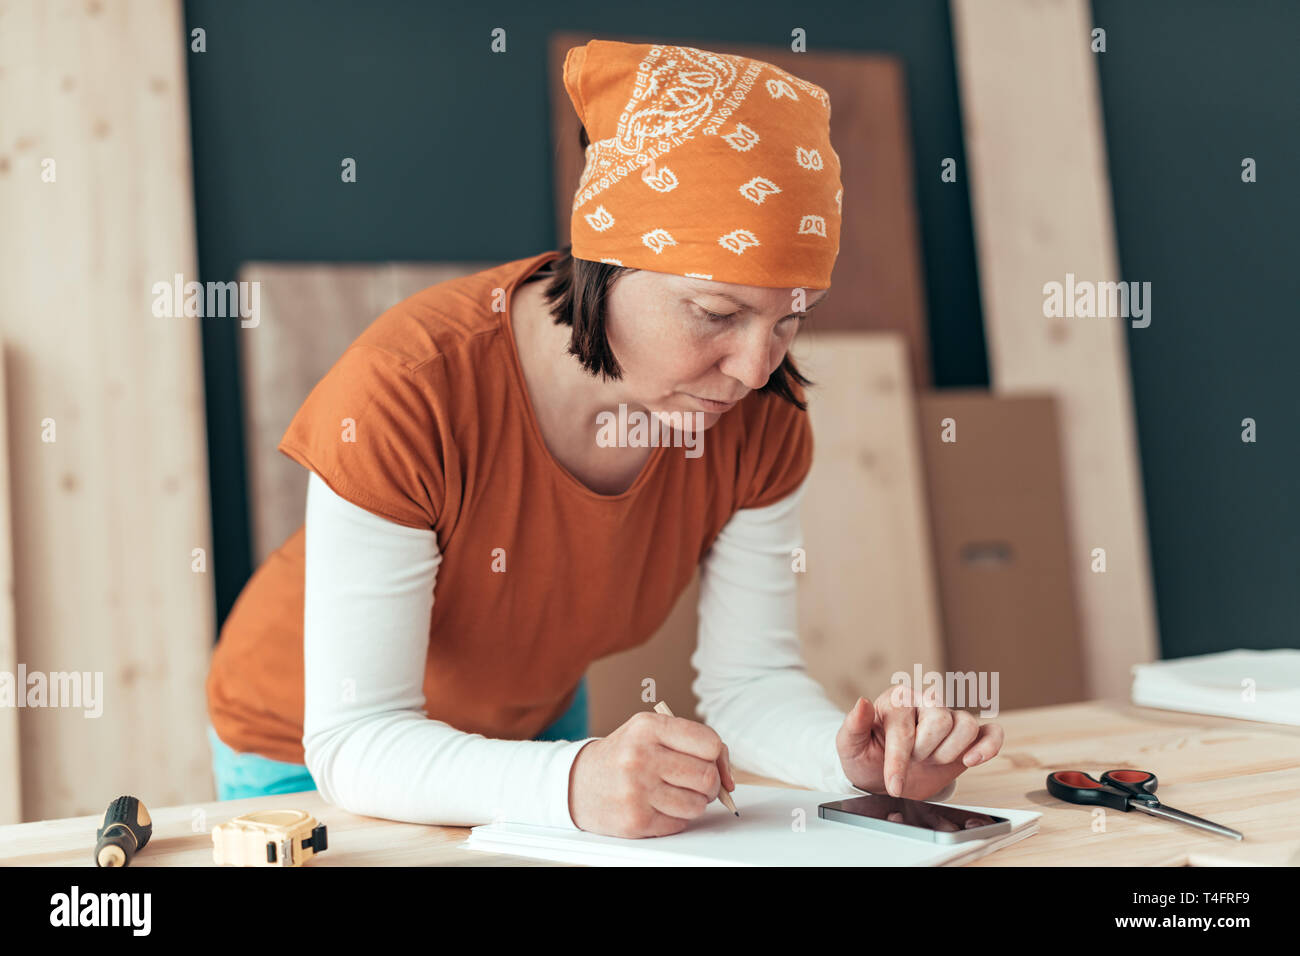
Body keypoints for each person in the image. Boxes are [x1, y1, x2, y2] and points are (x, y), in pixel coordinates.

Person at [205, 38, 1003, 838]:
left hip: (533, 737)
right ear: (604, 263)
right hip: (305, 749)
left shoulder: (758, 423)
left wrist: (853, 763)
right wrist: (575, 778)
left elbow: (749, 682)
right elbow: (357, 737)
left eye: (791, 318)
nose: (756, 368)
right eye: (716, 314)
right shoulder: (405, 391)